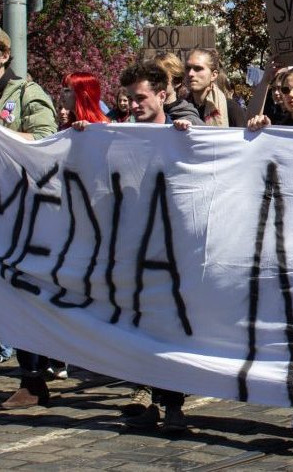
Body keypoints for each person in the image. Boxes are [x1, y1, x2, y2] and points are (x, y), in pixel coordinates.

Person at [69, 61, 192, 431]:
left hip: (172, 248)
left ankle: (172, 405)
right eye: (130, 99)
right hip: (131, 246)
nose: (135, 105)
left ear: (162, 94)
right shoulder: (117, 135)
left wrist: (188, 137)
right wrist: (82, 138)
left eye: (141, 98)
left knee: (170, 326)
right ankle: (144, 392)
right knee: (138, 322)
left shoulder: (180, 129)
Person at [0, 29, 58, 409]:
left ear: (3, 55)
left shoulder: (25, 93)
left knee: (20, 293)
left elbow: (46, 139)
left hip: (20, 211)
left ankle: (34, 377)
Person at [184, 49, 246, 127]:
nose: (190, 73)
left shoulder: (230, 109)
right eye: (187, 68)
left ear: (213, 75)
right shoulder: (180, 108)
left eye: (198, 68)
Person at [151, 52, 203, 126]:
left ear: (176, 81)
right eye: (150, 77)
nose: (153, 81)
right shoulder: (143, 112)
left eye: (160, 77)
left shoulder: (188, 118)